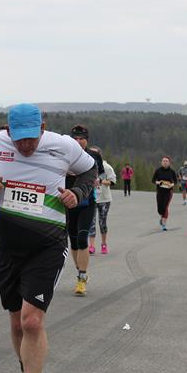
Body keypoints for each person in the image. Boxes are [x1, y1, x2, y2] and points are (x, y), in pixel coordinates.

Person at [0, 104, 96, 373]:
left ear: (42, 129)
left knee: (32, 322)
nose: (25, 145)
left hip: (48, 247)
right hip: (9, 251)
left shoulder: (63, 145)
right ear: (9, 132)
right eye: (19, 139)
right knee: (16, 324)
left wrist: (78, 192)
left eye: (31, 139)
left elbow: (90, 170)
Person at [67, 125, 104, 294]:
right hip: (69, 202)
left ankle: (81, 279)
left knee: (83, 239)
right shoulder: (65, 154)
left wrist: (98, 180)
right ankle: (80, 270)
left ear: (87, 140)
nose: (78, 141)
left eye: (81, 139)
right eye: (75, 139)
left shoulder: (94, 155)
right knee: (74, 241)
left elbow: (101, 174)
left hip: (87, 202)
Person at [88, 149, 117, 254]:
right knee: (91, 222)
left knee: (102, 222)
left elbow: (113, 182)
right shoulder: (87, 165)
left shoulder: (106, 167)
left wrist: (100, 181)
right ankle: (91, 246)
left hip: (104, 199)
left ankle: (104, 244)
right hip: (92, 198)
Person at [152, 156, 179, 231]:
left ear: (169, 163)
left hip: (168, 192)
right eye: (163, 161)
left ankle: (164, 224)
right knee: (160, 209)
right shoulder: (158, 170)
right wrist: (158, 182)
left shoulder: (172, 171)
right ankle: (162, 216)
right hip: (160, 191)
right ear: (161, 162)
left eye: (166, 161)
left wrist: (171, 184)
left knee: (165, 206)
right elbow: (153, 180)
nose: (165, 162)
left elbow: (175, 181)